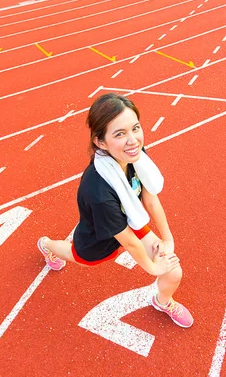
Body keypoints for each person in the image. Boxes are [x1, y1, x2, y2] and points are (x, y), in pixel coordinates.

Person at [37, 93, 193, 328]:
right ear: (100, 142)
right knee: (75, 256)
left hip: (131, 220)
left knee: (173, 272)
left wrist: (167, 239)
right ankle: (47, 244)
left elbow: (150, 200)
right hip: (100, 237)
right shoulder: (98, 192)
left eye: (135, 128)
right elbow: (129, 243)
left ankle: (163, 301)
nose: (133, 140)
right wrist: (152, 268)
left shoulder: (136, 156)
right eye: (120, 134)